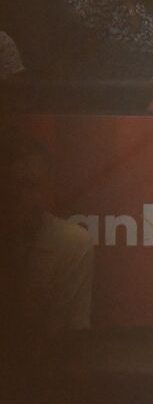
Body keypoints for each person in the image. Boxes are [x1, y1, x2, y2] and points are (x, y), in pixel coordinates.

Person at [3, 133, 95, 336]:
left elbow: (69, 333)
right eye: (13, 185)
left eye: (32, 186)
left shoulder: (72, 243)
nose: (21, 197)